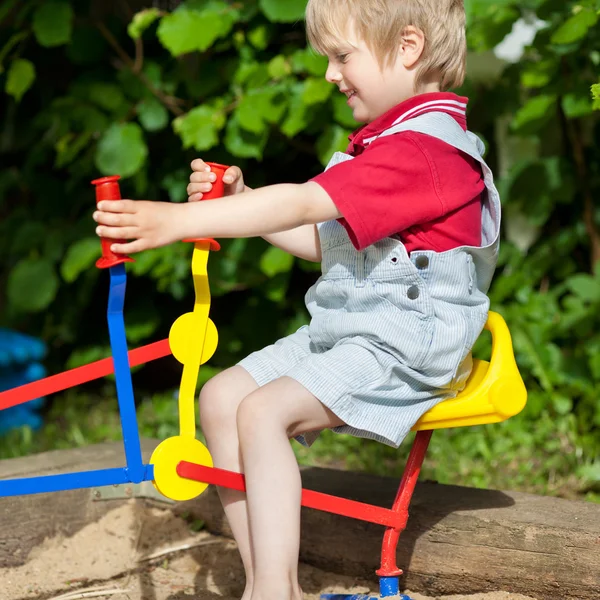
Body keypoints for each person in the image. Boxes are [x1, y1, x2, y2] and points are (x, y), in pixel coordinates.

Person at [93, 0, 501, 598]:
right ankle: (266, 577)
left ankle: (275, 588)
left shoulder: (426, 154)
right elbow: (321, 241)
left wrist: (177, 221)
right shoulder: (387, 147)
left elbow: (308, 203)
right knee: (223, 396)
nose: (331, 74)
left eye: (342, 56)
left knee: (264, 412)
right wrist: (245, 196)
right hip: (355, 331)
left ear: (408, 49)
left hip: (406, 344)